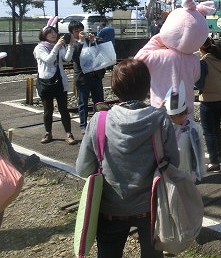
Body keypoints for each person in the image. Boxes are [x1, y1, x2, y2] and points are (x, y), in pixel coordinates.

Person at [76, 58, 179, 258]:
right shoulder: (160, 119)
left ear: (115, 88)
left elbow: (83, 169)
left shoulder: (100, 120)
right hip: (151, 206)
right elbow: (174, 163)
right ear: (147, 86)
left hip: (110, 208)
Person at [33, 24, 76, 145]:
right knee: (48, 110)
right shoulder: (40, 48)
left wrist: (70, 45)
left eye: (54, 32)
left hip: (60, 82)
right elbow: (49, 60)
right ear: (44, 35)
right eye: (49, 33)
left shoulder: (57, 45)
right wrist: (57, 46)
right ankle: (48, 133)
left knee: (64, 109)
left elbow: (67, 59)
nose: (53, 34)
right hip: (45, 82)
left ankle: (68, 133)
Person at [196, 37, 221, 172]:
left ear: (201, 49)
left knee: (208, 132)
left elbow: (199, 84)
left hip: (208, 99)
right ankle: (220, 156)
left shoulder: (204, 62)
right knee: (216, 129)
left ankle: (214, 162)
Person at [68, 20, 105, 134]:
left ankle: (98, 123)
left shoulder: (91, 41)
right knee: (83, 103)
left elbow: (100, 52)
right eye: (76, 31)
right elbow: (75, 57)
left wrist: (93, 41)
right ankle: (83, 125)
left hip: (95, 76)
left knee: (99, 101)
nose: (79, 32)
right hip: (82, 78)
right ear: (72, 33)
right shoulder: (73, 44)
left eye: (81, 30)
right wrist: (81, 40)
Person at [164, 82, 206, 183]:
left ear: (185, 112)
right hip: (172, 167)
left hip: (188, 167)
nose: (175, 119)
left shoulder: (193, 128)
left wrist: (200, 170)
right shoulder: (166, 126)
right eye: (172, 117)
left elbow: (199, 150)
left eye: (178, 116)